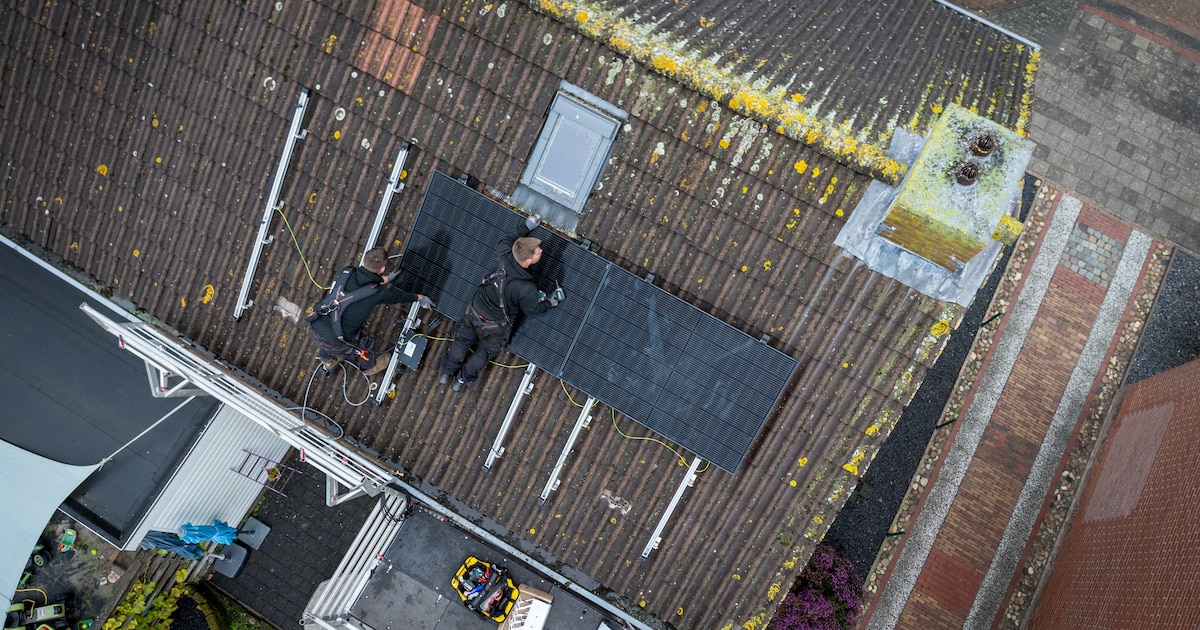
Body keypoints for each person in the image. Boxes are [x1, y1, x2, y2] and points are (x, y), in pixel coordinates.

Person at [440, 215, 561, 392]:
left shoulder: (503, 255)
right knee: (483, 353)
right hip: (495, 327)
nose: (541, 251)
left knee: (461, 342)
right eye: (537, 251)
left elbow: (508, 239)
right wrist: (550, 303)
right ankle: (461, 380)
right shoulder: (526, 288)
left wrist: (526, 226)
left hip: (474, 312)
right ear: (527, 261)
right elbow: (532, 310)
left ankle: (446, 372)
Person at [307, 247, 431, 376]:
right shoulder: (378, 292)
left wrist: (385, 280)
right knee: (365, 343)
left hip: (315, 328)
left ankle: (327, 360)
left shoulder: (348, 272)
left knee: (328, 335)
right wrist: (420, 298)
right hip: (337, 343)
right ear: (382, 269)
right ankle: (369, 368)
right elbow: (399, 297)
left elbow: (362, 282)